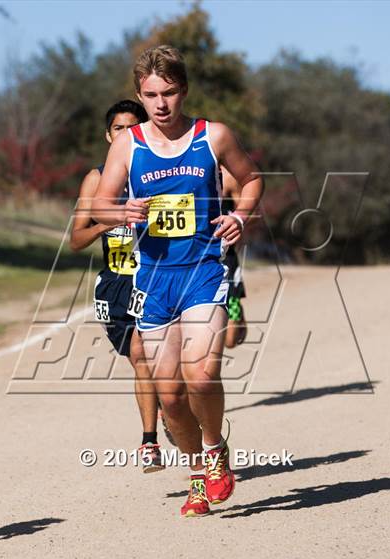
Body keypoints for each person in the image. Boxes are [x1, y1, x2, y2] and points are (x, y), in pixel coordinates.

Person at [92, 46, 263, 516]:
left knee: (202, 375)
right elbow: (100, 205)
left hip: (204, 271)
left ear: (183, 90)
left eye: (169, 92)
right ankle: (196, 477)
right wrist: (120, 210)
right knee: (169, 395)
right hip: (153, 279)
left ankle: (214, 451)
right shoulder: (128, 145)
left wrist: (241, 217)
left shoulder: (213, 136)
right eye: (151, 95)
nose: (161, 103)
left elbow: (250, 180)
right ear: (139, 95)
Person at [70, 99, 166, 473]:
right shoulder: (96, 180)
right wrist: (106, 223)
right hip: (116, 284)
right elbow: (77, 240)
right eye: (118, 129)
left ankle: (149, 441)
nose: (125, 134)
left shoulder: (158, 173)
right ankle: (162, 418)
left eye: (132, 127)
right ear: (108, 135)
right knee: (141, 359)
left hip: (158, 275)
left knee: (148, 354)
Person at [221, 167, 248, 348]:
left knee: (231, 341)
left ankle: (238, 309)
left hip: (227, 258)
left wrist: (234, 221)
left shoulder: (229, 177)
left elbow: (247, 215)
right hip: (196, 258)